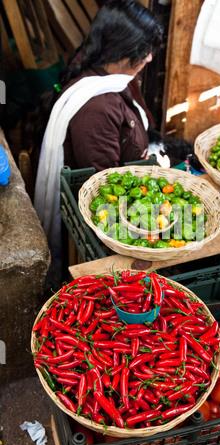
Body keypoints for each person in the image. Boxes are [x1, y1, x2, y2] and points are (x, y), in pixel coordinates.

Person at [28, 0, 163, 289]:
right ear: (124, 51)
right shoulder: (97, 108)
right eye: (145, 50)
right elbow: (104, 185)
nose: (150, 58)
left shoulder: (106, 73)